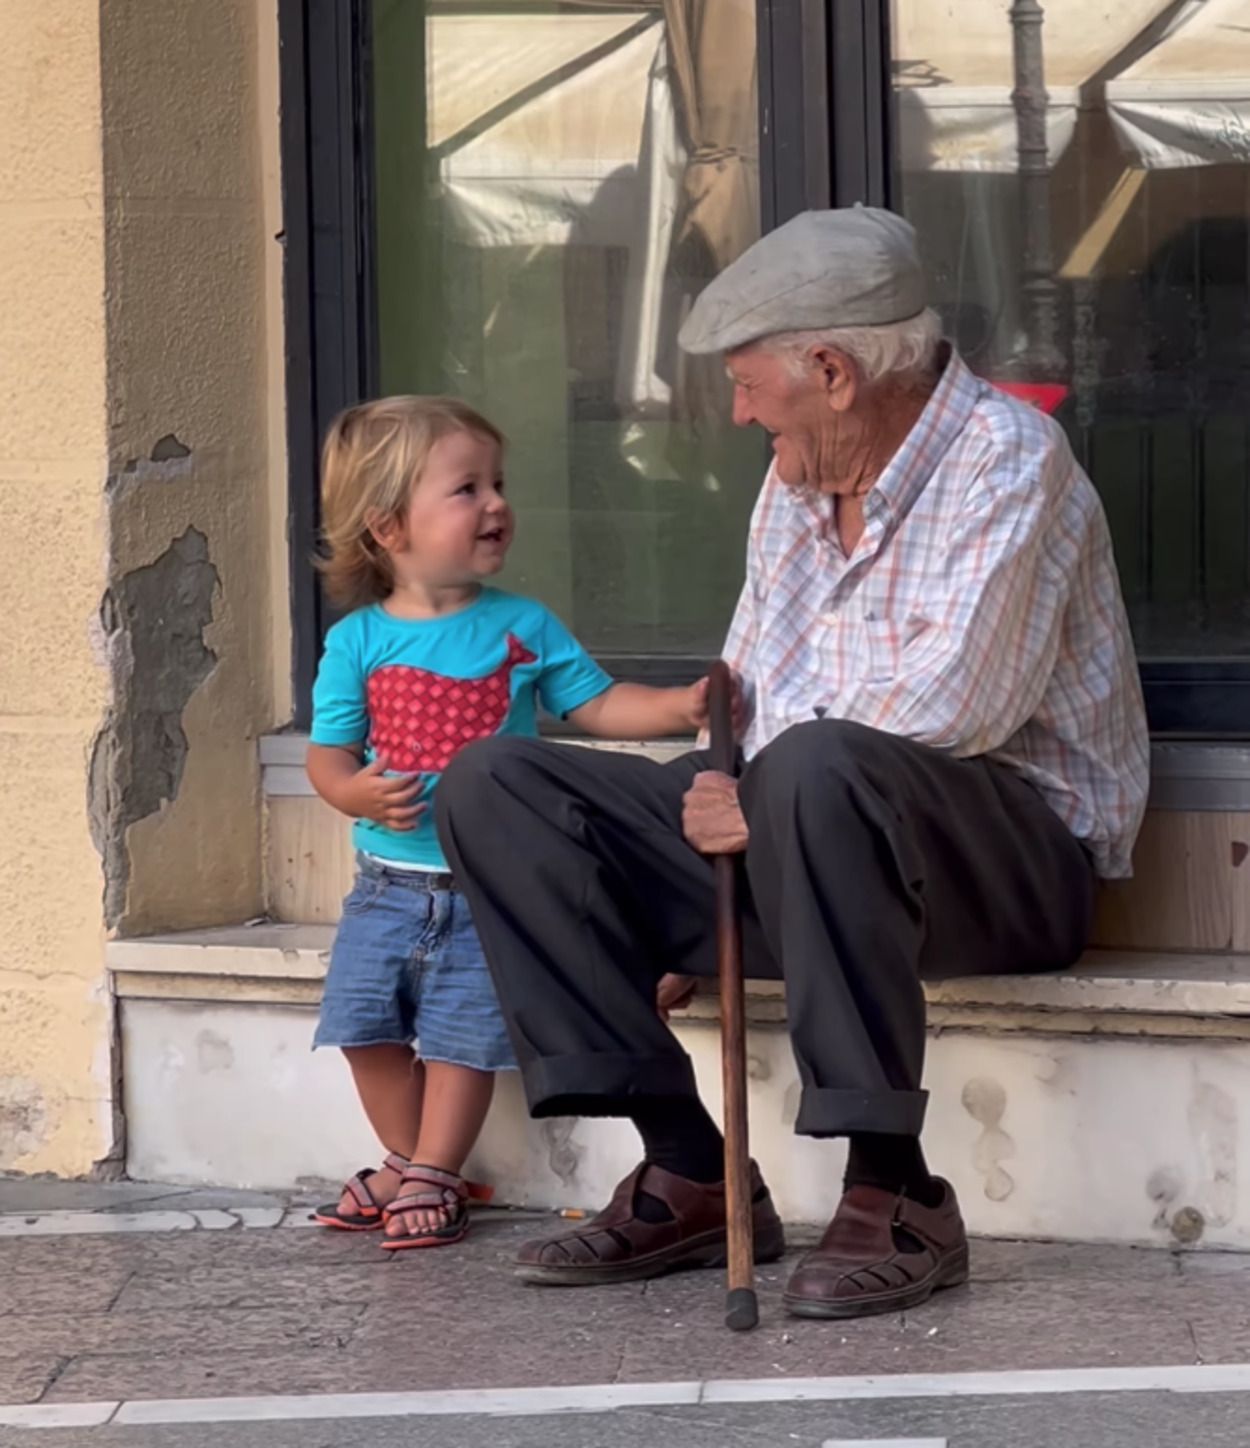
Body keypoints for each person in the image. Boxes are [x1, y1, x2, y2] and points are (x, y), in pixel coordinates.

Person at [436, 208, 1150, 1314]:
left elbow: (949, 702)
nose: (733, 410)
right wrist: (685, 827)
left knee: (816, 766)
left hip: (1005, 859)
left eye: (746, 382)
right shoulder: (795, 478)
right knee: (500, 782)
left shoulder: (1009, 459)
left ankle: (894, 1189)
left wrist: (748, 799)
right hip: (805, 831)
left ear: (830, 369)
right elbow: (748, 686)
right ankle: (686, 1166)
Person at [306, 395, 726, 1249]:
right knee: (361, 1027)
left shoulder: (521, 626)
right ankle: (406, 1155)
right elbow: (326, 754)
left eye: (498, 484)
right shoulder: (357, 642)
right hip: (387, 886)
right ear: (390, 528)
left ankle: (433, 1174)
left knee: (463, 1035)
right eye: (467, 489)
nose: (497, 504)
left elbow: (598, 704)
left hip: (487, 888)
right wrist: (353, 795)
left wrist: (682, 706)